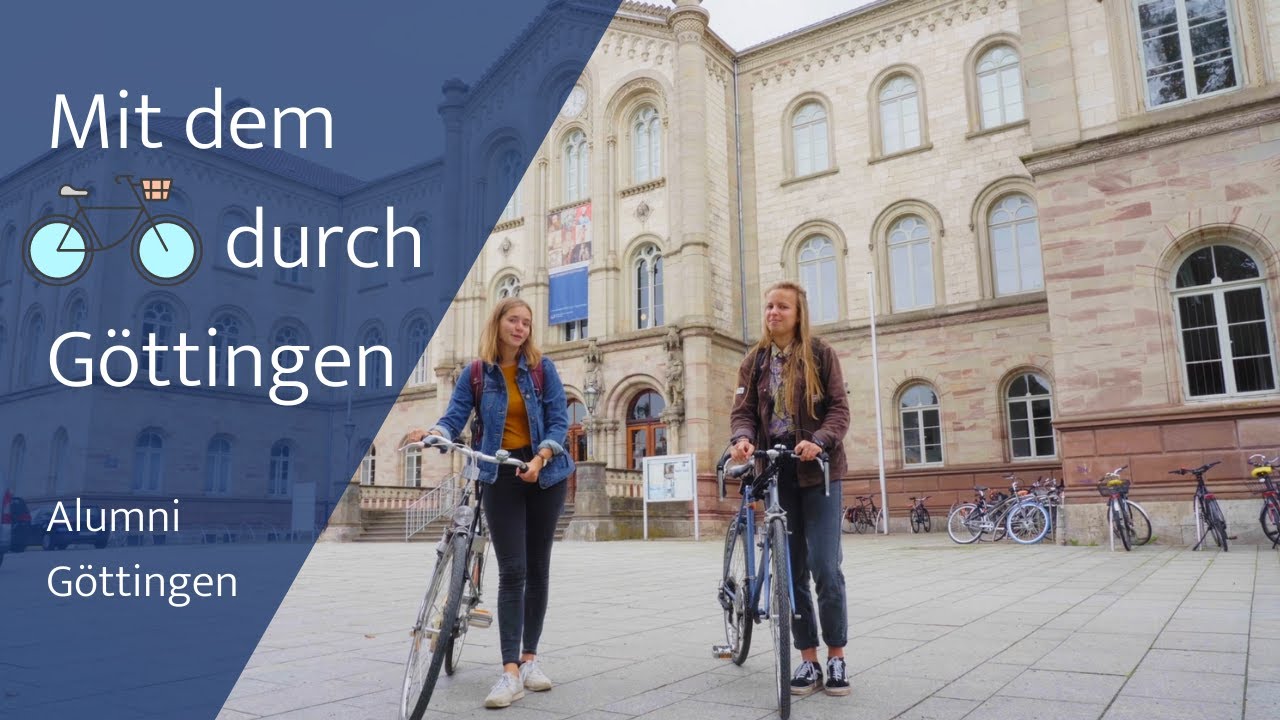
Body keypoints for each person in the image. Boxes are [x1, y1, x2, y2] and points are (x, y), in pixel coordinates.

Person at [406, 297, 574, 709]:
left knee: (538, 568)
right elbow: (455, 415)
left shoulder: (541, 369)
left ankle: (530, 659)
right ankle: (510, 671)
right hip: (498, 475)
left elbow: (558, 422)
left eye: (527, 323)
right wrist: (436, 432)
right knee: (512, 570)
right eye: (514, 321)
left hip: (545, 475)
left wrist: (540, 458)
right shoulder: (476, 373)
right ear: (497, 324)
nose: (521, 329)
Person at [728, 280, 850, 697]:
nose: (773, 313)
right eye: (768, 307)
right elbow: (742, 412)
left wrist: (820, 440)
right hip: (777, 473)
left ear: (799, 314)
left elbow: (839, 409)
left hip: (818, 473)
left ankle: (836, 657)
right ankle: (808, 659)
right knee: (790, 569)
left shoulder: (820, 353)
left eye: (782, 307)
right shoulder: (754, 361)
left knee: (825, 568)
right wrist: (742, 439)